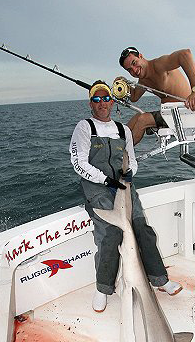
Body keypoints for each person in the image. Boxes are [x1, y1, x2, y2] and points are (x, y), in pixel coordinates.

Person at [69, 80, 183, 312]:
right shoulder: (84, 127)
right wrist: (105, 180)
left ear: (112, 101)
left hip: (123, 187)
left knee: (142, 229)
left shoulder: (124, 130)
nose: (102, 103)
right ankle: (103, 288)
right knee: (110, 233)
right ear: (91, 103)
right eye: (97, 99)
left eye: (105, 98)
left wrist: (129, 175)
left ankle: (160, 280)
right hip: (97, 189)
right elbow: (78, 163)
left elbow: (132, 159)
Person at [116, 46, 195, 144]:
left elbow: (185, 54)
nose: (134, 70)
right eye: (129, 70)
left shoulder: (159, 65)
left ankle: (123, 154)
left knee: (143, 119)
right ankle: (115, 146)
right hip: (169, 115)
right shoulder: (144, 81)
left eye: (134, 63)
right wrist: (122, 84)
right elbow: (134, 97)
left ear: (140, 56)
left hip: (185, 113)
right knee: (136, 117)